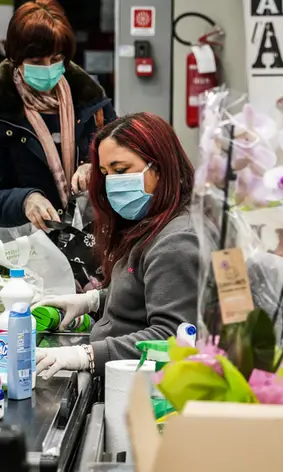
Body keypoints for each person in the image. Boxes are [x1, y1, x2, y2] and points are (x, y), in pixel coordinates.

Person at [34, 113, 200, 377]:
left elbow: (172, 339)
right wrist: (93, 301)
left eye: (121, 170)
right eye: (105, 172)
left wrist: (86, 355)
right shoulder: (152, 224)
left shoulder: (177, 242)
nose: (112, 182)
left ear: (159, 167)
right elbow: (145, 296)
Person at [0, 0, 117, 231]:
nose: (48, 68)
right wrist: (25, 201)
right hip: (29, 245)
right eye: (36, 61)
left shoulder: (93, 104)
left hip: (89, 240)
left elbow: (121, 166)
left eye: (56, 59)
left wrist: (96, 168)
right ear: (16, 60)